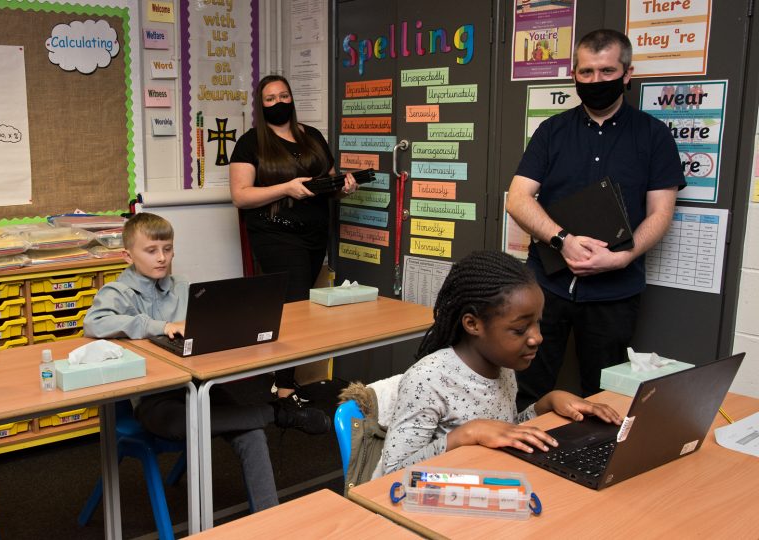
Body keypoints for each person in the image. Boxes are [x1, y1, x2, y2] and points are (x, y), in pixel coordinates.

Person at [83, 212, 329, 513]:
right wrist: (159, 326)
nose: (162, 258)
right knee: (187, 422)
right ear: (127, 255)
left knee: (250, 432)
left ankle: (270, 519)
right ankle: (278, 413)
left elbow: (203, 330)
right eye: (151, 251)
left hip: (198, 387)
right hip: (154, 401)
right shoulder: (118, 292)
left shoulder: (182, 286)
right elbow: (94, 323)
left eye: (168, 249)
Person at [505, 29, 684, 409]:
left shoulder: (654, 136)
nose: (595, 81)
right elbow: (518, 199)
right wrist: (562, 240)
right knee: (526, 392)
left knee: (603, 399)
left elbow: (661, 213)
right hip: (545, 288)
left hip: (614, 292)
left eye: (606, 72)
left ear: (627, 73)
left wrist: (623, 256)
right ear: (574, 74)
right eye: (585, 73)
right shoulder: (552, 130)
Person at [379, 251, 622, 476]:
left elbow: (503, 430)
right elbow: (392, 474)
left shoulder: (502, 364)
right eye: (519, 329)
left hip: (482, 481)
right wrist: (467, 434)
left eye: (538, 322)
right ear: (473, 324)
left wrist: (544, 406)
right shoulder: (427, 379)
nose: (537, 337)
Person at [229, 74, 357, 400]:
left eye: (283, 96)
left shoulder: (311, 136)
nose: (278, 103)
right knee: (295, 308)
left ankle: (282, 382)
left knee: (297, 308)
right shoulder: (250, 142)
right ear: (261, 105)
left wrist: (343, 186)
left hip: (314, 234)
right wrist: (286, 188)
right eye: (270, 99)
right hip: (275, 235)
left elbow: (327, 185)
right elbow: (241, 196)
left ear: (292, 98)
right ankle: (284, 388)